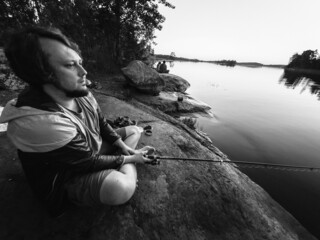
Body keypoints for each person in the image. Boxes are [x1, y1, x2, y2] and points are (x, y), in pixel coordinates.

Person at [0, 26, 155, 217]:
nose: (84, 71)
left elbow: (101, 123)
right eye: (69, 65)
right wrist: (133, 159)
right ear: (41, 74)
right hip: (67, 176)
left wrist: (124, 147)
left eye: (80, 62)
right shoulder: (41, 122)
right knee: (121, 188)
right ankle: (125, 170)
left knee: (135, 131)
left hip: (86, 151)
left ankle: (123, 163)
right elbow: (86, 162)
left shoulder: (78, 92)